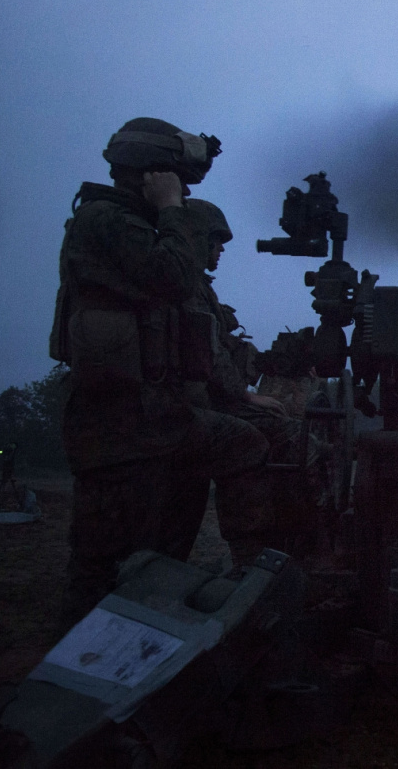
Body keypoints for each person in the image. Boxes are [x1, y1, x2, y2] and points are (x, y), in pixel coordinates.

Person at [50, 117, 271, 628]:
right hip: (119, 425)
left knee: (158, 544)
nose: (185, 192)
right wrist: (171, 208)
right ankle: (76, 658)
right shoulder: (108, 220)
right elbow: (173, 277)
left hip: (153, 418)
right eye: (178, 180)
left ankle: (234, 581)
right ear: (150, 173)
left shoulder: (124, 224)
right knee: (101, 564)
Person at [167, 199, 321, 560]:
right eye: (215, 243)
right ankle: (257, 550)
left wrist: (287, 360)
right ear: (196, 240)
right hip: (192, 403)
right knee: (286, 439)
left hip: (205, 399)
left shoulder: (197, 287)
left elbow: (229, 350)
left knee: (293, 435)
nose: (221, 251)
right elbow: (208, 355)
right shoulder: (187, 289)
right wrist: (246, 396)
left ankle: (286, 543)